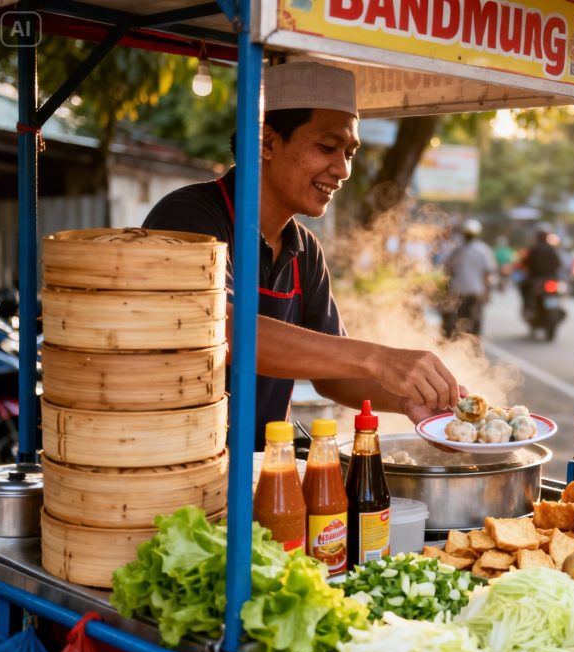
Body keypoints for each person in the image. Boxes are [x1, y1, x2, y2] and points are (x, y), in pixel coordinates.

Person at [144, 62, 460, 449]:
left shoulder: (305, 250)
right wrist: (379, 358)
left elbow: (332, 376)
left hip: (261, 465)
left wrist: (409, 398)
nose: (343, 169)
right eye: (327, 147)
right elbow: (218, 330)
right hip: (172, 460)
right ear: (268, 142)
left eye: (350, 152)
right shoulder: (190, 215)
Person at [442, 219, 496, 338]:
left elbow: (447, 270)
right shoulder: (483, 250)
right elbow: (487, 273)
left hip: (460, 292)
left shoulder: (457, 250)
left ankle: (467, 346)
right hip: (473, 292)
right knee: (472, 322)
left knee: (461, 322)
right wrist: (486, 292)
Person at [519, 229, 562, 313]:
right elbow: (558, 264)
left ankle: (527, 306)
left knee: (523, 286)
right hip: (550, 278)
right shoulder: (552, 250)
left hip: (535, 279)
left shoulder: (533, 249)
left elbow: (525, 263)